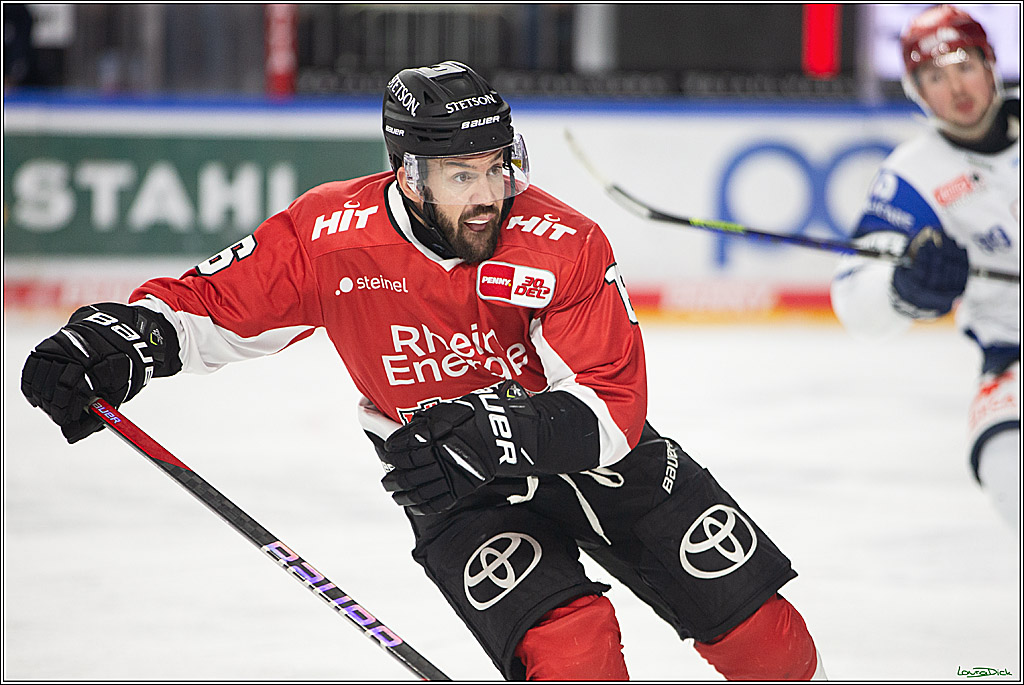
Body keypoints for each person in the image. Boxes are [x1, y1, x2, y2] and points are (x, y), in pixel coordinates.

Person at [22, 60, 825, 680]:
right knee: (576, 654)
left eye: (497, 167)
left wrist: (500, 429)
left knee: (773, 648)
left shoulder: (563, 241)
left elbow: (613, 409)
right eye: (461, 176)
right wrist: (116, 339)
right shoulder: (330, 236)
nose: (490, 195)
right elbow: (206, 310)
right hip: (450, 481)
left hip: (582, 453)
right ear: (407, 172)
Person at [831, 5, 1019, 532]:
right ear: (916, 91)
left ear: (990, 64)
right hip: (1014, 363)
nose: (955, 87)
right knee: (1006, 464)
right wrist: (902, 288)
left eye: (963, 66)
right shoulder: (913, 177)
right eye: (934, 76)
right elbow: (854, 298)